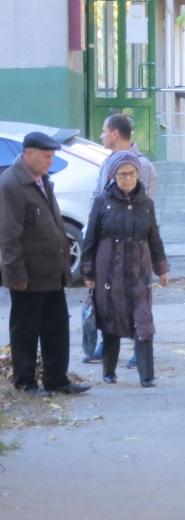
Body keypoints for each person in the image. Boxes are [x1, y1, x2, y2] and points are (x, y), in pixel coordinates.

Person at [0, 132, 91, 397]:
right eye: (46, 157)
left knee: (56, 327)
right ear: (29, 154)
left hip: (52, 272)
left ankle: (57, 380)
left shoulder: (42, 179)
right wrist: (16, 273)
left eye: (52, 156)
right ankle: (26, 383)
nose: (51, 162)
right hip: (28, 275)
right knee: (26, 329)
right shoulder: (11, 185)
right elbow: (8, 235)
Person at [80, 152, 169, 387]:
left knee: (143, 320)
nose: (127, 178)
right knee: (111, 320)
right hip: (109, 271)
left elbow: (154, 239)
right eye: (122, 174)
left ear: (138, 175)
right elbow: (90, 240)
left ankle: (146, 376)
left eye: (132, 173)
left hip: (139, 271)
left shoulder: (146, 204)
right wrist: (88, 273)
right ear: (113, 176)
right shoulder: (103, 202)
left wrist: (161, 268)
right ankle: (109, 371)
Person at [83, 114, 159, 366]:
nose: (101, 135)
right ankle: (108, 346)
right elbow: (98, 195)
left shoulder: (142, 166)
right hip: (109, 243)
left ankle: (141, 348)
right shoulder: (107, 162)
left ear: (115, 133)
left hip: (134, 245)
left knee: (138, 299)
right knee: (110, 296)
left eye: (104, 131)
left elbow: (142, 207)